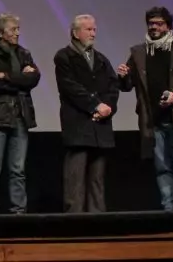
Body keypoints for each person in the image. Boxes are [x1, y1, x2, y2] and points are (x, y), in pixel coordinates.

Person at [116, 7, 173, 211]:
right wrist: (123, 76)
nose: (154, 27)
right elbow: (128, 86)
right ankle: (169, 208)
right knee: (162, 167)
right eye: (151, 23)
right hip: (153, 120)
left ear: (168, 26)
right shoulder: (139, 53)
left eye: (159, 23)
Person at [0, 13, 40, 215]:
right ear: (0, 32)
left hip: (20, 115)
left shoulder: (24, 53)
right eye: (13, 29)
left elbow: (34, 79)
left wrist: (4, 75)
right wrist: (20, 77)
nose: (17, 33)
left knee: (18, 170)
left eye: (18, 29)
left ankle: (18, 211)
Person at [54, 14, 119, 213]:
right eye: (88, 29)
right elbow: (70, 87)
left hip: (100, 127)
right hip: (78, 124)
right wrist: (95, 105)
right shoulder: (64, 56)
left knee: (97, 179)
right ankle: (74, 221)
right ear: (75, 33)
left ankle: (97, 219)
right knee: (75, 178)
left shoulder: (101, 59)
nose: (93, 33)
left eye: (94, 29)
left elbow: (112, 87)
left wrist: (107, 107)